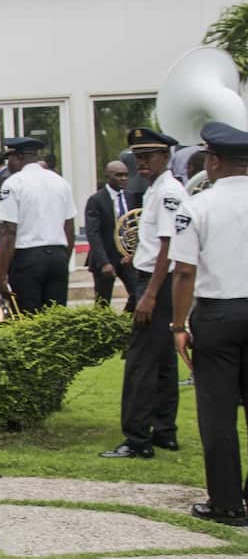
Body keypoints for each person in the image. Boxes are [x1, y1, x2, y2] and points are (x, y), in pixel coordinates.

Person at [170, 122, 248, 525]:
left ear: (215, 161)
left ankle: (227, 503)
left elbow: (184, 272)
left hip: (218, 313)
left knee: (217, 414)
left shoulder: (197, 205)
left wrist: (178, 325)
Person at [102, 128, 185, 459]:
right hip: (155, 278)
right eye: (138, 158)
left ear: (165, 157)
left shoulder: (167, 192)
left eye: (148, 157)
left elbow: (167, 246)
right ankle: (165, 431)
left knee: (140, 361)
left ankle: (137, 439)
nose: (142, 164)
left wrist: (149, 295)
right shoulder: (158, 189)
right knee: (163, 360)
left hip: (156, 280)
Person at [0, 136, 76, 314]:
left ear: (18, 158)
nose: (8, 164)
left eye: (9, 159)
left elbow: (9, 232)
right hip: (58, 257)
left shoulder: (13, 183)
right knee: (56, 319)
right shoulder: (60, 181)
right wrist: (64, 261)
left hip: (28, 258)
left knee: (28, 318)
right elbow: (69, 228)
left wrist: (2, 276)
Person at [84, 160, 141, 310]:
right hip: (106, 256)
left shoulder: (132, 197)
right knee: (102, 303)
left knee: (138, 293)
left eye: (126, 175)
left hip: (127, 257)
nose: (123, 179)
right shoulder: (96, 200)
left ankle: (124, 324)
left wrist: (134, 254)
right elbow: (93, 233)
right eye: (118, 175)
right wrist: (104, 262)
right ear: (108, 176)